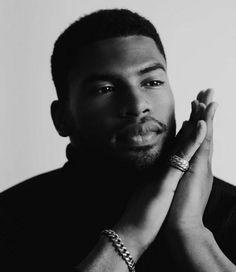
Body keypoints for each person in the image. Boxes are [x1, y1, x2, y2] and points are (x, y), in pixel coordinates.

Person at [1, 8, 236, 272]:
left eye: (152, 82)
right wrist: (130, 236)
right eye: (105, 89)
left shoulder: (230, 211)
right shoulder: (12, 221)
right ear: (62, 118)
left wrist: (191, 232)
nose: (137, 106)